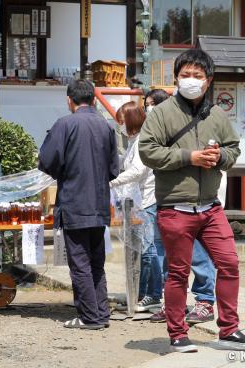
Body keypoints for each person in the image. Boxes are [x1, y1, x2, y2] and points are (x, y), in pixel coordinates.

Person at [139, 49, 241, 353]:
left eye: (198, 75)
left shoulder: (217, 115)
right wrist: (189, 157)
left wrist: (220, 156)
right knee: (179, 273)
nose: (191, 80)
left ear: (208, 81)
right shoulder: (161, 113)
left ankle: (229, 330)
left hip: (210, 207)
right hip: (175, 207)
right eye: (186, 74)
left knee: (230, 264)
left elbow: (233, 149)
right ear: (176, 77)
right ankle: (178, 333)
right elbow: (147, 151)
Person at [38, 79, 119, 330]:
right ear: (94, 100)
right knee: (96, 262)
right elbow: (114, 169)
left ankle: (89, 317)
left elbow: (47, 160)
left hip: (75, 201)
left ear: (69, 100)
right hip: (98, 202)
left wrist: (67, 171)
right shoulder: (106, 127)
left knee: (80, 263)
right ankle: (101, 313)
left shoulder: (65, 124)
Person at [145, 89, 217, 325]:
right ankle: (173, 304)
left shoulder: (199, 124)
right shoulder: (156, 131)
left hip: (195, 204)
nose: (149, 110)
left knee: (197, 255)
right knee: (171, 258)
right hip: (166, 202)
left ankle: (205, 300)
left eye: (151, 105)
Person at [110, 101, 162, 312]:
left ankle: (154, 294)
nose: (120, 126)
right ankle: (139, 292)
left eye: (122, 121)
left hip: (147, 201)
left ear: (131, 120)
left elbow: (138, 171)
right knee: (139, 250)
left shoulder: (142, 141)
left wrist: (113, 181)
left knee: (149, 250)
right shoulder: (133, 140)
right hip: (136, 203)